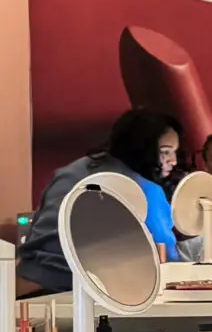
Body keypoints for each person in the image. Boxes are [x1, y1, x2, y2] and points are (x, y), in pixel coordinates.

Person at [18, 109, 180, 294]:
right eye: (165, 152)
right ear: (142, 148)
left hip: (25, 279)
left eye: (174, 152)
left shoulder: (70, 171)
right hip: (81, 287)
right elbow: (167, 260)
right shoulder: (145, 189)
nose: (173, 161)